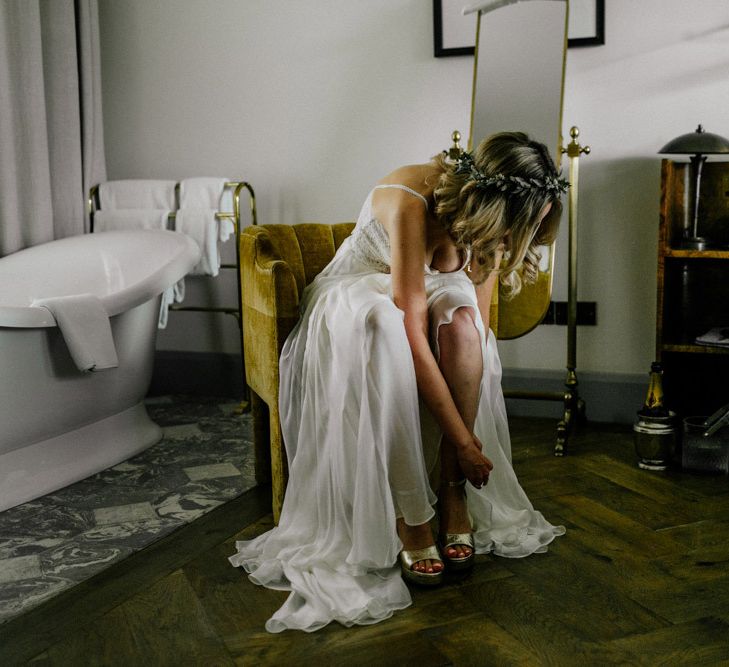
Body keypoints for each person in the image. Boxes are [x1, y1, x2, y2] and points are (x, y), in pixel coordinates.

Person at [229, 131, 566, 633]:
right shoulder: (413, 199)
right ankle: (411, 514)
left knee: (464, 325)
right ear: (496, 205)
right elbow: (407, 326)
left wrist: (464, 380)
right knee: (383, 325)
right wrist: (463, 438)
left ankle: (452, 490)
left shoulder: (494, 227)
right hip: (354, 296)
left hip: (425, 296)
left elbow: (480, 311)